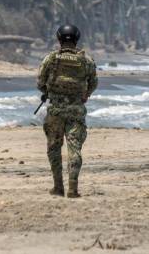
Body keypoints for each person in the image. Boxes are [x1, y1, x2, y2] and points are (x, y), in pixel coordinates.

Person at [37, 24, 98, 198]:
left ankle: (58, 187)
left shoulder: (50, 59)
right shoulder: (86, 61)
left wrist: (49, 92)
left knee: (54, 149)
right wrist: (85, 95)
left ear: (59, 39)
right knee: (75, 149)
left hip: (55, 111)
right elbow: (93, 83)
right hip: (76, 111)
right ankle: (73, 188)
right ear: (77, 38)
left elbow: (40, 83)